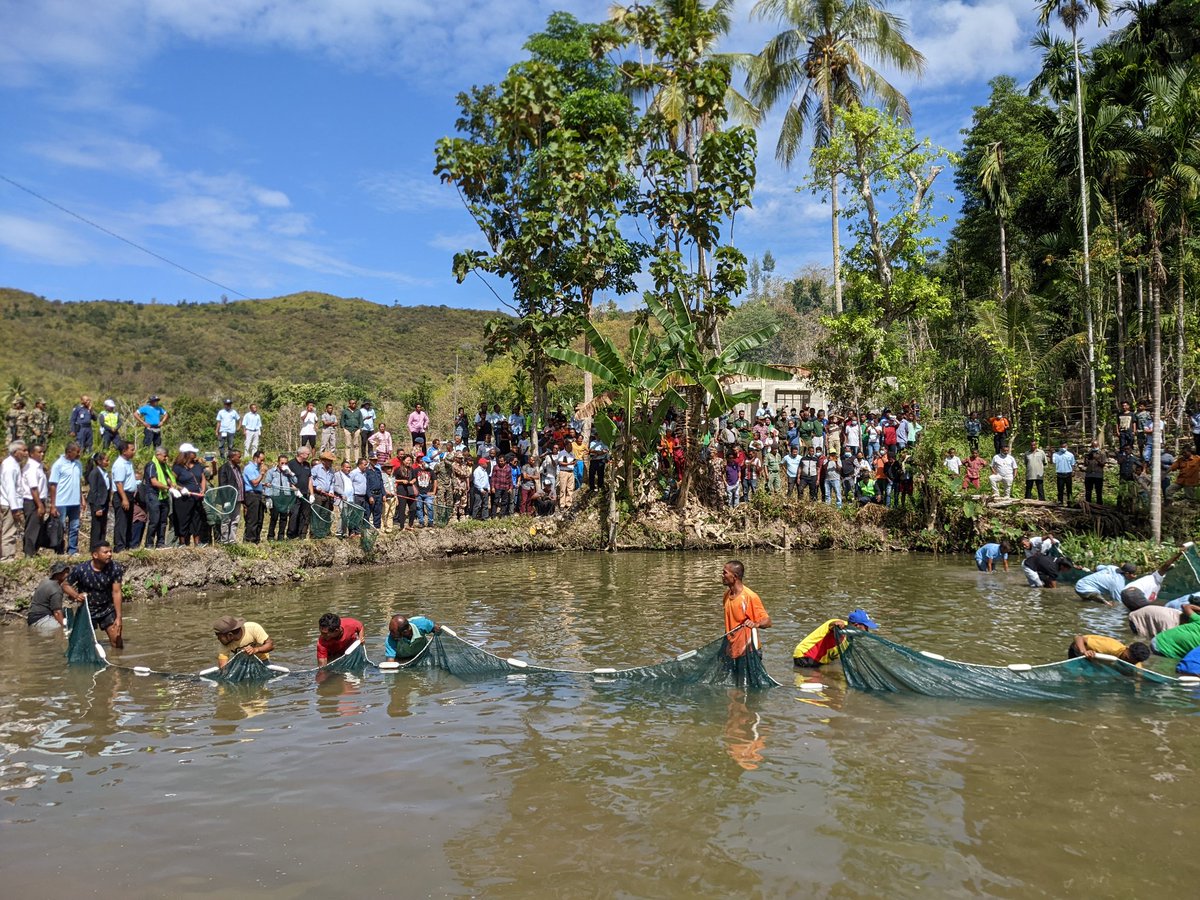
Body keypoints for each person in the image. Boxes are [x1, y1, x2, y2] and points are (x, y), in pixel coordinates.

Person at [67, 541, 125, 649]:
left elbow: (116, 592)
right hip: (88, 610)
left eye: (110, 551)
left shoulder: (115, 568)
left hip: (107, 608)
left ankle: (117, 662)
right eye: (106, 552)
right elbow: (65, 585)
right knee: (84, 645)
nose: (110, 554)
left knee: (117, 642)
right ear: (95, 555)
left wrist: (119, 617)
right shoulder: (81, 569)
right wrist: (75, 595)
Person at [721, 560, 771, 661]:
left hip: (749, 652)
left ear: (734, 576)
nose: (722, 575)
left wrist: (756, 624)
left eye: (725, 572)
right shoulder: (726, 595)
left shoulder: (749, 597)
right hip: (732, 651)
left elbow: (768, 622)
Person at [793, 609, 879, 667]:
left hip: (820, 661)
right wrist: (836, 624)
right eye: (866, 627)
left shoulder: (850, 638)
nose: (867, 631)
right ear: (857, 625)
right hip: (805, 656)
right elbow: (832, 625)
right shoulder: (840, 627)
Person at [1118, 545, 1190, 611]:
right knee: (1160, 608)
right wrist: (1179, 553)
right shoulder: (1155, 577)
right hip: (1133, 592)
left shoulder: (1155, 588)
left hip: (1124, 594)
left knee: (1138, 614)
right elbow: (1166, 565)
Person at [27, 562, 84, 635]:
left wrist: (74, 596)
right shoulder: (56, 590)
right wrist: (64, 627)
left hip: (32, 615)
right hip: (40, 619)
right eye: (66, 573)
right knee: (60, 629)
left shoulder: (46, 581)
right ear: (59, 574)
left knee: (67, 612)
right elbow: (57, 612)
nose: (68, 575)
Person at [48, 442, 84, 555]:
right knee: (60, 527)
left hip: (75, 502)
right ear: (69, 452)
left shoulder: (78, 464)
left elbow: (78, 482)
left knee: (75, 526)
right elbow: (53, 485)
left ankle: (72, 550)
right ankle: (59, 550)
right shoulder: (58, 465)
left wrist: (82, 498)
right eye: (77, 452)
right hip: (61, 502)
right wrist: (53, 505)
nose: (79, 454)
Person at [171, 443, 206, 546]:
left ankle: (197, 542)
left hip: (197, 497)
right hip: (183, 499)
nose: (195, 453)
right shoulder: (178, 467)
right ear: (187, 454)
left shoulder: (197, 465)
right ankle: (182, 543)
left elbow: (202, 478)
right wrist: (181, 488)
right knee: (183, 519)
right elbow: (171, 481)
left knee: (197, 519)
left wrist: (202, 489)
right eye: (192, 452)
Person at [109, 441, 138, 552]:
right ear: (124, 451)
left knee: (128, 521)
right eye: (131, 449)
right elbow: (119, 483)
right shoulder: (120, 464)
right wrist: (124, 498)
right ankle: (119, 547)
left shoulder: (128, 463)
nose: (133, 451)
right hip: (122, 495)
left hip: (129, 495)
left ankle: (127, 545)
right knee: (121, 522)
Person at [265, 454, 297, 541]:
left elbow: (295, 481)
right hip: (275, 496)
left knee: (284, 517)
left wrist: (290, 473)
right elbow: (267, 484)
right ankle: (271, 535)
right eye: (282, 463)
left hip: (285, 497)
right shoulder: (272, 472)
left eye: (285, 463)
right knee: (274, 517)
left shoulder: (287, 472)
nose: (283, 465)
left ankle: (281, 536)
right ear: (278, 462)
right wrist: (268, 497)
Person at [1068, 634, 1150, 665]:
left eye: (1130, 662)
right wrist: (1084, 652)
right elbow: (1078, 638)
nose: (1127, 662)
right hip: (1079, 648)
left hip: (1097, 657)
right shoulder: (1111, 647)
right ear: (1127, 648)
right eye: (1126, 658)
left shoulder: (1136, 665)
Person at [85, 451, 111, 551]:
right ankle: (94, 548)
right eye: (106, 460)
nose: (108, 462)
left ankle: (102, 546)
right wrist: (97, 507)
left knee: (103, 525)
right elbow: (94, 491)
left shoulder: (104, 472)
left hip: (104, 502)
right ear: (99, 461)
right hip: (97, 503)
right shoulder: (95, 473)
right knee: (96, 527)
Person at [242, 450, 266, 543]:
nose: (262, 462)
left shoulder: (257, 469)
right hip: (251, 495)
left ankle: (256, 539)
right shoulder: (249, 468)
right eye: (261, 460)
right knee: (253, 518)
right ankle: (249, 540)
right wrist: (262, 474)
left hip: (258, 494)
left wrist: (263, 484)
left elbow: (258, 483)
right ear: (255, 458)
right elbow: (255, 483)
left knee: (259, 518)